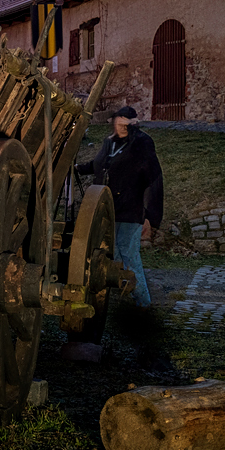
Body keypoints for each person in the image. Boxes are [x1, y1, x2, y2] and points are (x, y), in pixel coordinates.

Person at [61, 105, 163, 362]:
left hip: (130, 211)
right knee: (110, 255)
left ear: (133, 122)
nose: (122, 124)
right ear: (114, 121)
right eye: (119, 119)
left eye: (127, 120)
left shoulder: (142, 144)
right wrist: (75, 168)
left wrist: (151, 215)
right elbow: (97, 166)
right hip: (107, 210)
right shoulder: (109, 143)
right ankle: (115, 300)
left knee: (129, 256)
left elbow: (154, 178)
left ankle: (143, 307)